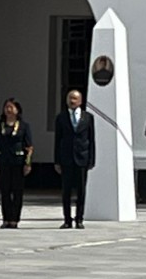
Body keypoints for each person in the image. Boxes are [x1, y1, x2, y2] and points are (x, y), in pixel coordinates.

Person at [54, 89, 95, 229]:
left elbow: (91, 139)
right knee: (66, 191)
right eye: (70, 98)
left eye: (75, 98)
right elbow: (57, 140)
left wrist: (91, 159)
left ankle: (79, 219)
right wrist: (57, 160)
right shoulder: (61, 117)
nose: (72, 101)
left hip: (82, 158)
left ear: (80, 101)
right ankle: (67, 219)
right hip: (66, 159)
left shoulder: (87, 117)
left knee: (81, 191)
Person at [0, 98, 33, 229]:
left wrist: (27, 163)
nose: (8, 110)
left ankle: (15, 219)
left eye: (11, 107)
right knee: (5, 191)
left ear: (17, 110)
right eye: (6, 107)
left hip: (18, 162)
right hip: (4, 161)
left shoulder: (24, 126)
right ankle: (6, 219)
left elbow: (29, 146)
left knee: (17, 191)